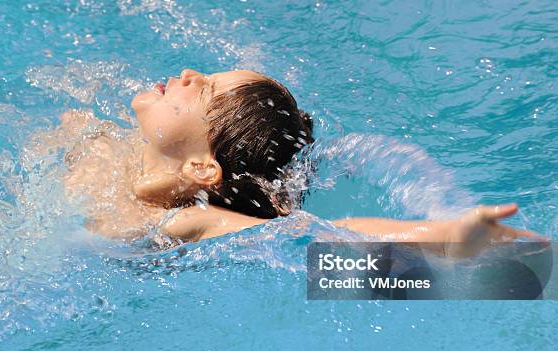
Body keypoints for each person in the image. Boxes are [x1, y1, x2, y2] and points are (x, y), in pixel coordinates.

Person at [54, 68, 542, 257]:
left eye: (202, 90)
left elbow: (321, 230)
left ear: (203, 168)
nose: (188, 73)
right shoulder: (103, 145)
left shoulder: (185, 221)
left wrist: (449, 235)